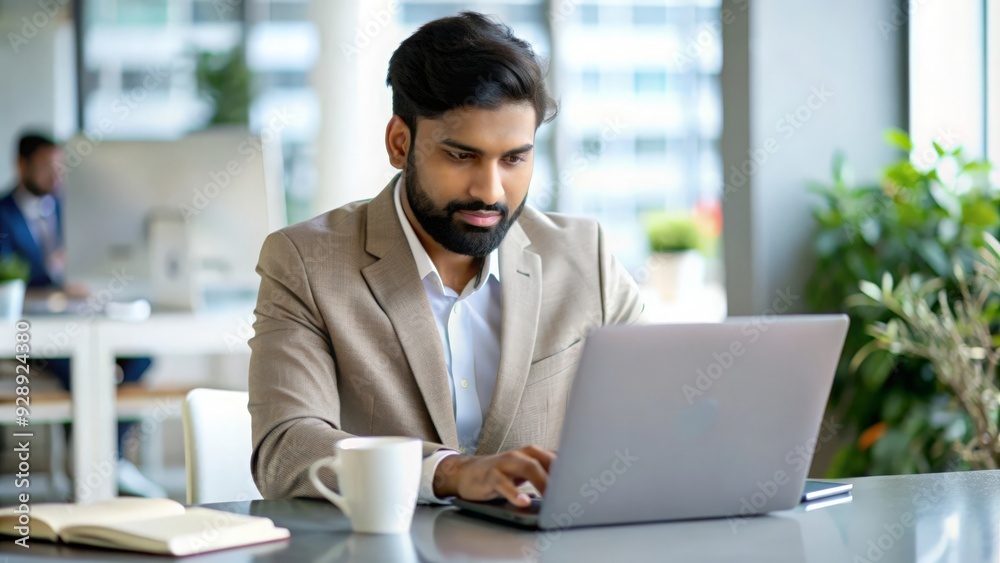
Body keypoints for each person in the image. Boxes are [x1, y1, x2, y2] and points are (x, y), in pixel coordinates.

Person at [248, 12, 642, 507]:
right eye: (461, 156)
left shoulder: (587, 257)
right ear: (399, 143)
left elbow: (662, 414)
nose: (491, 191)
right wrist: (449, 472)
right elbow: (286, 449)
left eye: (514, 158)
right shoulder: (306, 262)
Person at [0, 132, 164, 498]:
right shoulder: (2, 215)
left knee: (138, 357)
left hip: (84, 317)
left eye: (60, 168)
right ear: (21, 165)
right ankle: (96, 466)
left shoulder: (72, 209)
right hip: (33, 331)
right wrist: (53, 289)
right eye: (45, 168)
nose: (55, 177)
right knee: (84, 368)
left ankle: (109, 458)